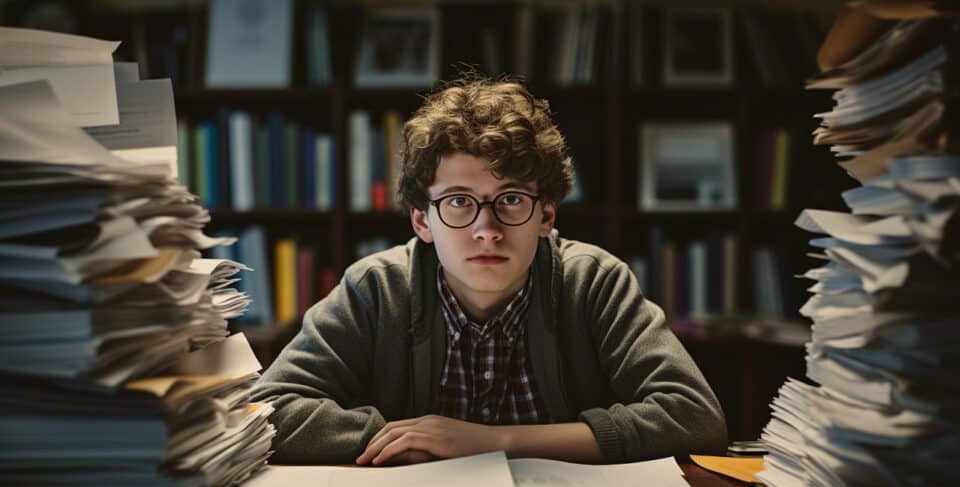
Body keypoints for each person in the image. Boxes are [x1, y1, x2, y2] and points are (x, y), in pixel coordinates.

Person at [251, 77, 727, 465]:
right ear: (423, 220)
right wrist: (404, 439)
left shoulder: (595, 281)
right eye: (459, 202)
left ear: (546, 216)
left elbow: (694, 417)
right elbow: (268, 411)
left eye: (511, 200)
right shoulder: (376, 287)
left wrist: (489, 440)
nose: (487, 229)